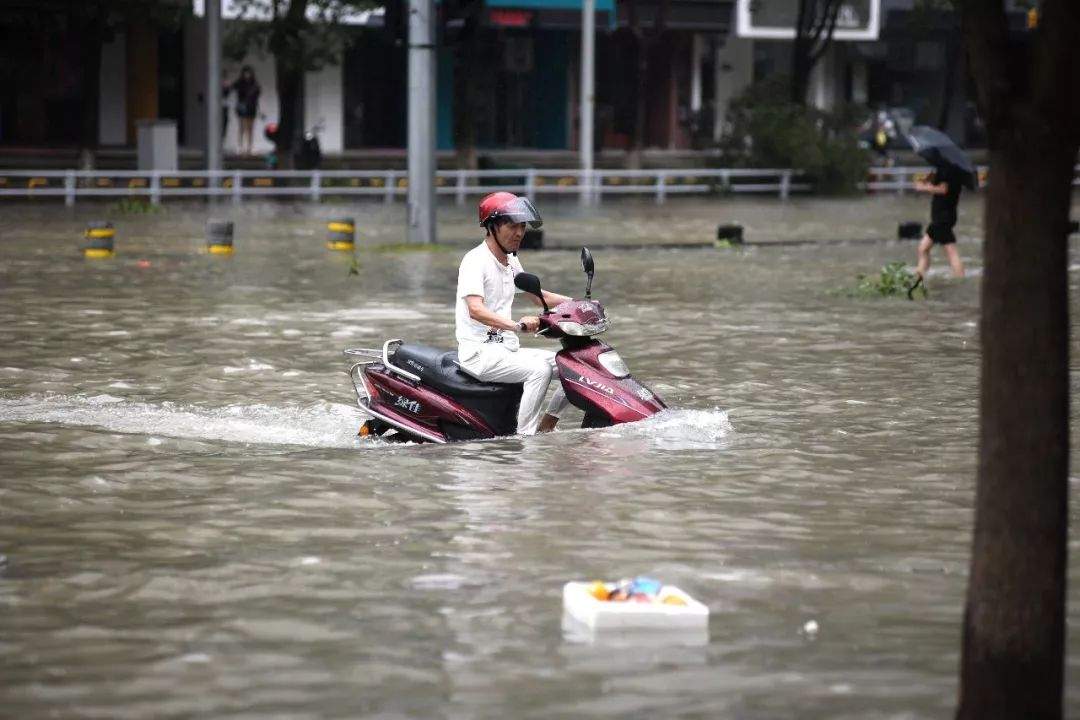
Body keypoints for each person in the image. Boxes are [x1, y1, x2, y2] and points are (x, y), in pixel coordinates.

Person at [456, 192, 572, 435]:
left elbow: (540, 297)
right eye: (512, 226)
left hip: (506, 349)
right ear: (492, 227)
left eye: (522, 226)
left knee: (572, 366)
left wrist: (579, 304)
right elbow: (475, 310)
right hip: (479, 353)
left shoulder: (511, 262)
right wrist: (516, 326)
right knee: (539, 370)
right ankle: (525, 437)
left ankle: (547, 426)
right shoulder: (475, 261)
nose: (519, 233)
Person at [911, 163, 965, 294]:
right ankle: (920, 276)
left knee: (950, 249)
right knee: (923, 248)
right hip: (939, 217)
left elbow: (943, 189)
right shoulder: (944, 169)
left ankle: (960, 277)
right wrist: (928, 179)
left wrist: (924, 187)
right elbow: (939, 185)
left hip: (943, 217)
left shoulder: (949, 170)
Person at [230, 66, 261, 156]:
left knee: (250, 128)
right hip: (243, 107)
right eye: (245, 73)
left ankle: (249, 146)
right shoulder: (240, 83)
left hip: (251, 108)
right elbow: (232, 87)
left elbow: (257, 94)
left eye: (249, 73)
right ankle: (240, 146)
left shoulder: (254, 84)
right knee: (242, 126)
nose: (247, 75)